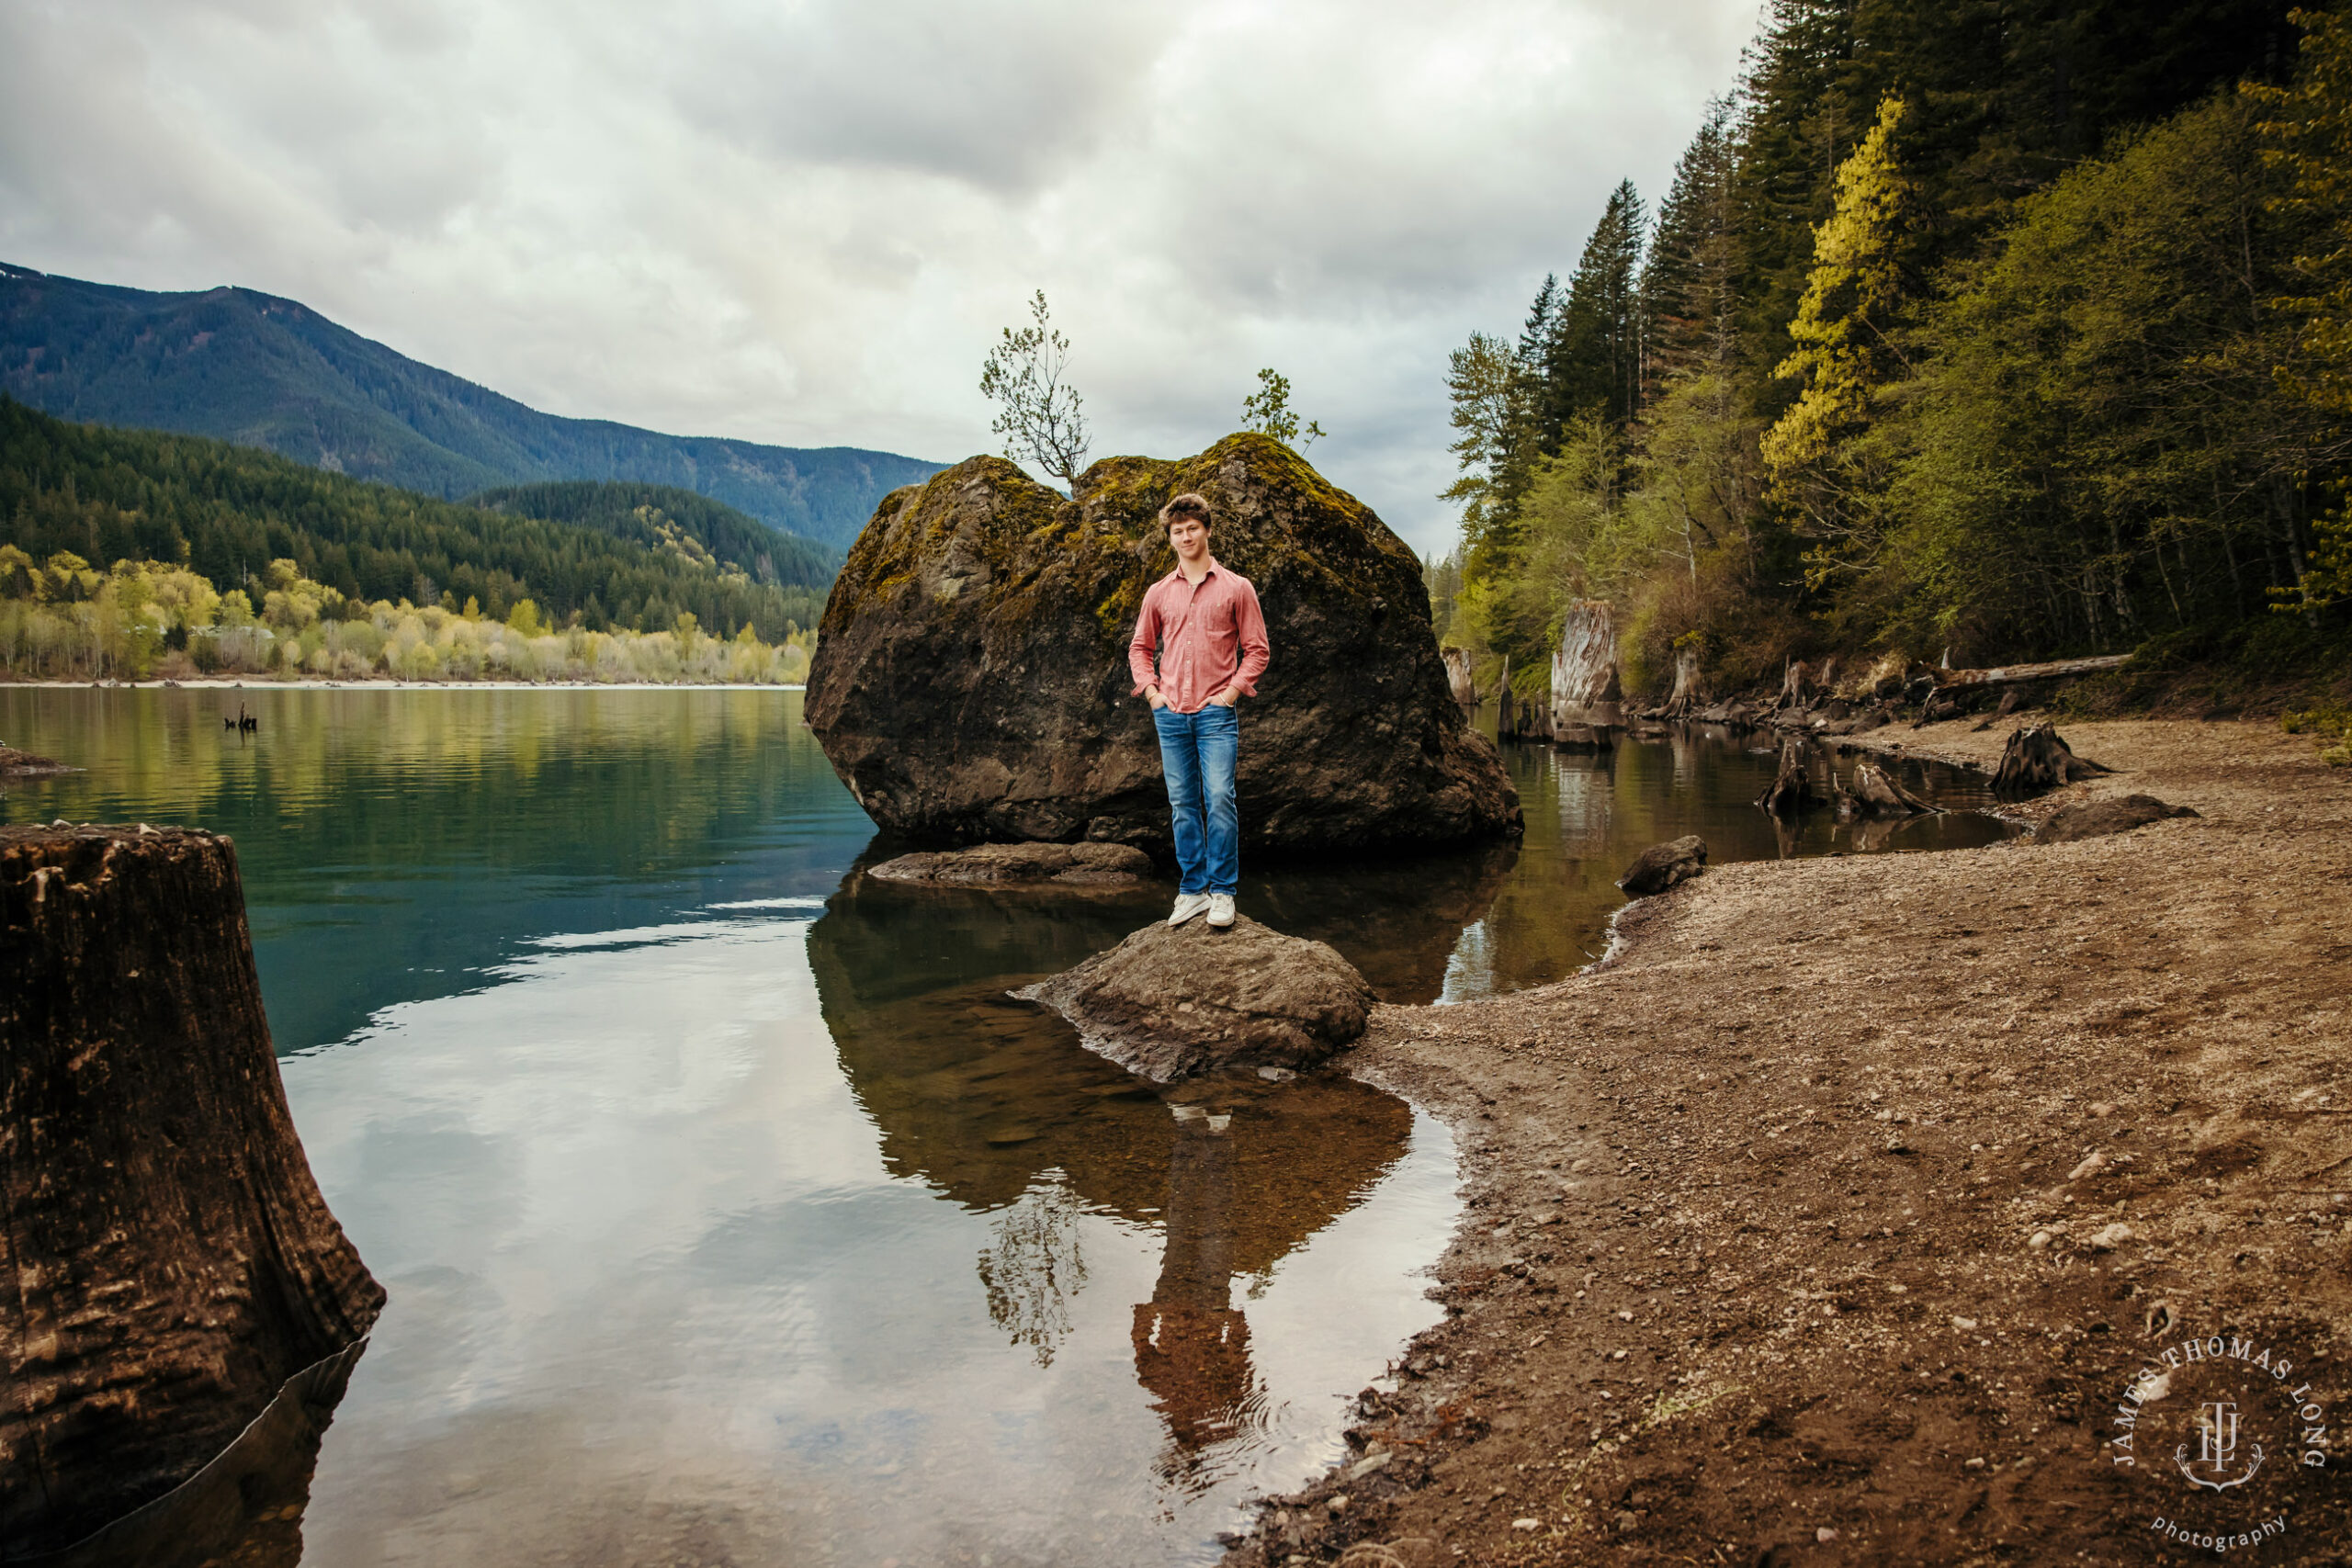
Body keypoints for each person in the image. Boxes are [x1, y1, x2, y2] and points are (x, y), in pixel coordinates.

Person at [1127, 492, 1271, 929]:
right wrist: (1152, 693)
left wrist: (1230, 695)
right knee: (1183, 804)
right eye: (1178, 531)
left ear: (1207, 530)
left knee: (1220, 800)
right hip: (1170, 715)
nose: (1186, 536)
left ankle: (1223, 892)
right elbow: (1140, 648)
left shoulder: (1236, 588)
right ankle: (1192, 891)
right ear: (1170, 538)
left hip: (1215, 715)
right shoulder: (1158, 593)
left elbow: (1258, 651)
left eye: (1193, 528)